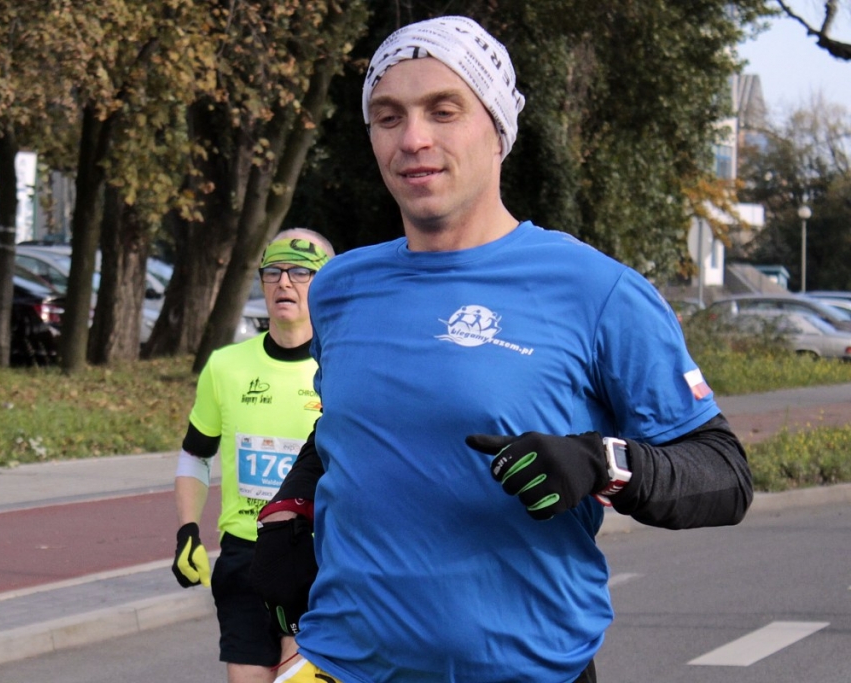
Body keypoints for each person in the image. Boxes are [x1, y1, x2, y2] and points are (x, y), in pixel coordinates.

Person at [249, 15, 753, 683]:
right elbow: (346, 422)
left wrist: (601, 462)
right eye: (388, 116)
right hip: (340, 663)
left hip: (526, 671)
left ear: (498, 128)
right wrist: (290, 510)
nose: (413, 138)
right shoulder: (341, 287)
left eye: (443, 110)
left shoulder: (596, 291)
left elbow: (725, 474)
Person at [172, 228, 335, 683]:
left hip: (316, 552)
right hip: (244, 554)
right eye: (273, 271)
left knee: (296, 675)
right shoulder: (225, 366)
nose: (284, 282)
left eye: (300, 272)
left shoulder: (343, 367)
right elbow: (194, 455)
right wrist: (187, 529)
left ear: (327, 282)